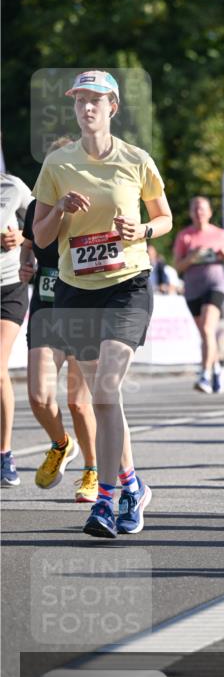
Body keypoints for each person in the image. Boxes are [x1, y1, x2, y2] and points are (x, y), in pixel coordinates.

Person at [32, 69, 172, 538]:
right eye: (80, 101)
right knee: (102, 400)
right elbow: (41, 236)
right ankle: (132, 483)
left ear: (113, 107)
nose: (87, 107)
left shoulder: (136, 159)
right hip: (75, 291)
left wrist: (144, 231)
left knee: (107, 390)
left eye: (96, 100)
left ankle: (106, 502)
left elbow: (165, 216)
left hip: (126, 285)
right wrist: (57, 211)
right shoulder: (57, 165)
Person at [20, 195, 98, 502]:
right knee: (39, 397)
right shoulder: (38, 206)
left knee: (79, 404)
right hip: (46, 314)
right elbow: (29, 245)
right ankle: (62, 443)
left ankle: (92, 470)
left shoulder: (94, 204)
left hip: (83, 313)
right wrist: (27, 265)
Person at [173, 196, 224, 393]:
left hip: (215, 285)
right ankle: (217, 368)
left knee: (207, 328)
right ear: (191, 213)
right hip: (193, 289)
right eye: (196, 209)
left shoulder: (220, 234)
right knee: (206, 334)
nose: (199, 213)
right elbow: (177, 266)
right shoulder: (185, 236)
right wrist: (191, 257)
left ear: (210, 212)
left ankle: (205, 375)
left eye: (203, 209)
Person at [1, 171, 31, 487]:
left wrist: (21, 236)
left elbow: (45, 222)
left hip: (9, 288)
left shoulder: (12, 185)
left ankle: (4, 454)